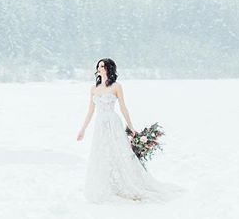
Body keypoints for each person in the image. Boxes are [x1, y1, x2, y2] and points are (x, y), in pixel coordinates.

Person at [77, 58, 182, 203]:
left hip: (113, 123)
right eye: (98, 66)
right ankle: (107, 183)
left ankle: (127, 182)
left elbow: (123, 107)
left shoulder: (116, 86)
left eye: (102, 66)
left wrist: (131, 127)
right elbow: (90, 110)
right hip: (99, 124)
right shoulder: (93, 89)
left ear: (109, 69)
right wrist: (82, 129)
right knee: (102, 152)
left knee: (118, 151)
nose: (99, 68)